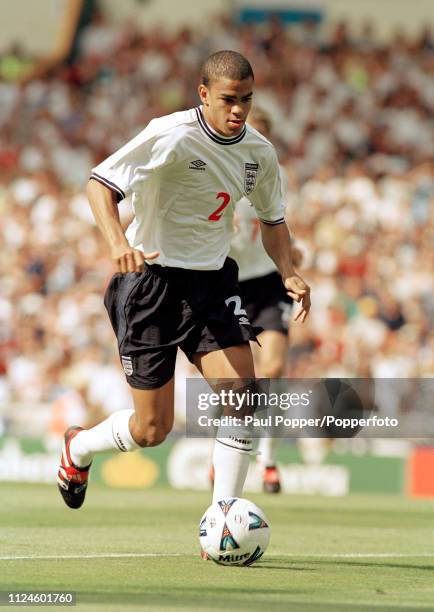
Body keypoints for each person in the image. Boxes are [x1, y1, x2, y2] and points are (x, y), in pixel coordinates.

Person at [57, 50, 311, 513]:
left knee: (242, 397)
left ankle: (223, 515)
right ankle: (79, 448)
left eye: (247, 100)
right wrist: (118, 243)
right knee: (152, 430)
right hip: (150, 285)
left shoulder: (259, 152)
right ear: (204, 94)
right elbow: (99, 184)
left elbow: (273, 221)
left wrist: (289, 272)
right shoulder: (169, 134)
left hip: (212, 283)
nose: (238, 110)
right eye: (229, 99)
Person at [229, 106, 303, 493]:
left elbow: (281, 224)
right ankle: (225, 452)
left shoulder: (275, 175)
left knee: (272, 367)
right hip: (228, 284)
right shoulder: (217, 170)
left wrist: (293, 259)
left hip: (267, 283)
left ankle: (269, 459)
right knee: (235, 378)